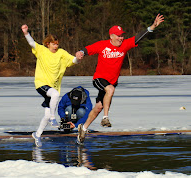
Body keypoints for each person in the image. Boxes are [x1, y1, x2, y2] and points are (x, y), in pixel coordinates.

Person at [76, 14, 165, 144]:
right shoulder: (102, 45)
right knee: (110, 90)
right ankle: (105, 118)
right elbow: (87, 49)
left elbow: (138, 37)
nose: (121, 38)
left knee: (99, 107)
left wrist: (152, 26)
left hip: (112, 81)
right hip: (99, 79)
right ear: (111, 36)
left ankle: (83, 129)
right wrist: (81, 53)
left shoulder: (124, 45)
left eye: (122, 35)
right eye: (118, 35)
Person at [21, 24, 81, 147]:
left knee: (47, 114)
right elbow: (32, 43)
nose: (55, 46)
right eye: (53, 44)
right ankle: (54, 118)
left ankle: (37, 134)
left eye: (57, 44)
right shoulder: (41, 50)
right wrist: (26, 33)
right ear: (48, 44)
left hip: (53, 87)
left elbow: (73, 60)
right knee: (55, 94)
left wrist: (78, 58)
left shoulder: (61, 53)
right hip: (41, 83)